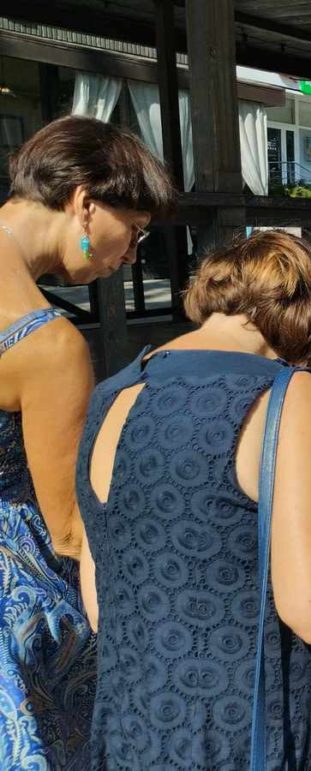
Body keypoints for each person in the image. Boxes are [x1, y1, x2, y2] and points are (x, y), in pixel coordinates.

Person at [77, 231, 311, 768]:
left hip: (131, 725)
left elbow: (101, 600)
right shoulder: (286, 394)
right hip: (248, 730)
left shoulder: (112, 393)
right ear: (310, 310)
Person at [0, 115, 175, 767]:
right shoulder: (44, 343)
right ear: (83, 202)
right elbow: (72, 529)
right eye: (133, 233)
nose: (130, 256)